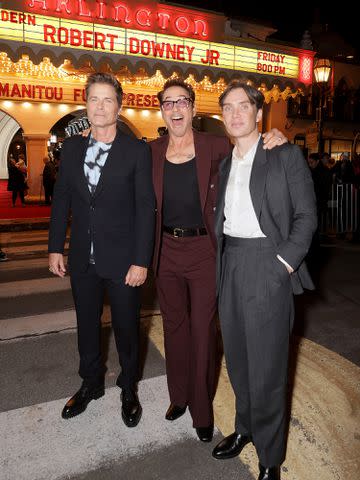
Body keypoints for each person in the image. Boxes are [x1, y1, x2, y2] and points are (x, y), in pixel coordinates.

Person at [149, 78, 287, 442]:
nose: (175, 109)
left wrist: (275, 137)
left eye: (182, 102)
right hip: (165, 251)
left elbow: (251, 154)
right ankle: (178, 396)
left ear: (193, 108)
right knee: (174, 328)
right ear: (161, 109)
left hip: (204, 251)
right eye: (168, 103)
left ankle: (201, 409)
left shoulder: (215, 145)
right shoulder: (150, 150)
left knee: (202, 331)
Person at [212, 81, 317, 480]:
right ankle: (246, 429)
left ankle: (270, 458)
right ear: (222, 116)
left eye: (244, 106)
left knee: (269, 368)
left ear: (259, 113)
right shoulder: (224, 164)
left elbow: (306, 216)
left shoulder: (284, 154)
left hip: (267, 264)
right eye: (228, 108)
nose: (236, 113)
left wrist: (283, 265)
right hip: (231, 264)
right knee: (238, 360)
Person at [48, 72, 155, 427]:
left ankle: (128, 388)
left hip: (124, 260)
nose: (100, 106)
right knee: (86, 325)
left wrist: (141, 260)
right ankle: (91, 383)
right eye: (94, 99)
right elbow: (62, 198)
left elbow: (145, 207)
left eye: (108, 99)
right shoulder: (73, 146)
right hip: (82, 257)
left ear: (119, 106)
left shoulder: (136, 151)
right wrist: (54, 248)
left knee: (126, 327)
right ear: (86, 104)